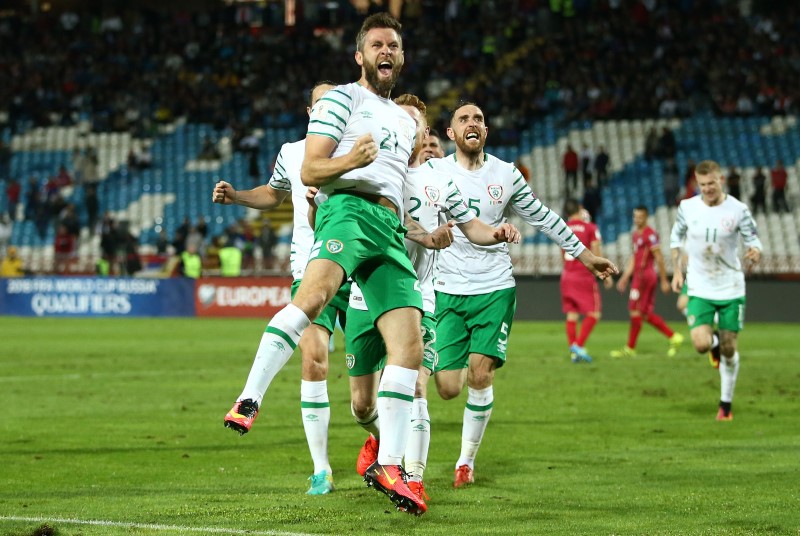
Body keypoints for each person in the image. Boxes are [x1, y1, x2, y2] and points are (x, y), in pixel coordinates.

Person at [219, 13, 430, 515]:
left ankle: (392, 465)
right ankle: (250, 397)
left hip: (387, 228)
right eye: (376, 44)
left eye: (393, 45)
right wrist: (350, 162)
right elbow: (311, 168)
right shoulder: (341, 98)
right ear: (360, 56)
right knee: (311, 300)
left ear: (401, 57)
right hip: (348, 211)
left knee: (409, 346)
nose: (386, 51)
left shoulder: (406, 118)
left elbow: (400, 184)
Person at [429, 102, 617, 489]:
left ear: (486, 130)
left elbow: (544, 217)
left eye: (479, 118)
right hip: (447, 288)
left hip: (494, 287)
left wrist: (585, 256)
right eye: (463, 119)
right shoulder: (435, 173)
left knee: (480, 373)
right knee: (448, 387)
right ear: (450, 133)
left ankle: (465, 461)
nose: (472, 123)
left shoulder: (506, 175)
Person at [346, 94, 520, 504]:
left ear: (422, 132)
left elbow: (470, 226)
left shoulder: (438, 182)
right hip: (363, 295)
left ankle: (413, 477)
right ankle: (380, 441)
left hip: (417, 296)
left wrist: (493, 233)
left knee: (417, 386)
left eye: (413, 124)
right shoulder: (368, 174)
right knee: (360, 405)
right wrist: (423, 235)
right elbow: (378, 222)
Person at [213, 81, 352, 496]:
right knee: (313, 360)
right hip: (312, 267)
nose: (328, 109)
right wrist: (238, 196)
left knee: (368, 388)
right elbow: (273, 194)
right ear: (310, 113)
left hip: (361, 267)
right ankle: (322, 469)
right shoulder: (292, 153)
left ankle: (385, 446)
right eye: (320, 104)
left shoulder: (364, 152)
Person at [669, 160, 762, 421]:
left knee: (730, 350)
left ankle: (725, 405)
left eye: (711, 183)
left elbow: (753, 238)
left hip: (730, 286)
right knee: (700, 344)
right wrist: (677, 271)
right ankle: (714, 343)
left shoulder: (738, 210)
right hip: (700, 284)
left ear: (721, 180)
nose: (707, 189)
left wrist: (755, 251)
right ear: (696, 184)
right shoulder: (687, 207)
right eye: (702, 185)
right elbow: (676, 239)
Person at [611, 206, 684, 358]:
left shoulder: (650, 235)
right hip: (638, 276)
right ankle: (673, 337)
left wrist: (664, 280)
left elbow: (659, 258)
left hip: (645, 276)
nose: (637, 219)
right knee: (642, 313)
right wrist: (625, 276)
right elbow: (634, 257)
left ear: (646, 217)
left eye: (640, 217)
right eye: (635, 216)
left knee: (635, 310)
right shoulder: (635, 234)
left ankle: (630, 348)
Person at [559, 199, 612, 363]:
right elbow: (596, 254)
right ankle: (578, 346)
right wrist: (604, 274)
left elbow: (562, 254)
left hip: (567, 275)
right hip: (583, 276)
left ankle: (574, 352)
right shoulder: (590, 228)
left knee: (572, 315)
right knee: (594, 312)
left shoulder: (562, 228)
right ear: (580, 209)